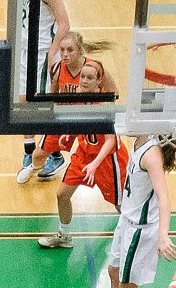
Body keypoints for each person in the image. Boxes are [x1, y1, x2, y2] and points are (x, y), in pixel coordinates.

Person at [85, 134, 176, 288]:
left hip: (141, 230)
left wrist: (163, 234)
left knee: (128, 287)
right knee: (113, 271)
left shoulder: (151, 154)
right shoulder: (138, 143)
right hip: (126, 222)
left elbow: (164, 196)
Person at [37, 61, 128, 249]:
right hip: (83, 154)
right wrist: (69, 133)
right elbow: (79, 120)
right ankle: (64, 236)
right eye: (82, 77)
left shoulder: (105, 103)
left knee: (120, 206)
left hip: (108, 160)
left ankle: (133, 235)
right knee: (62, 195)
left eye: (89, 78)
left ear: (98, 81)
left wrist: (95, 164)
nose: (84, 81)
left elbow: (110, 140)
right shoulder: (77, 97)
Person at [17, 31, 117, 183]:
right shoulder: (58, 69)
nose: (65, 54)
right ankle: (37, 166)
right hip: (66, 117)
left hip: (89, 119)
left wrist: (99, 110)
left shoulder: (94, 68)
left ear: (79, 50)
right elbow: (53, 96)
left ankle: (110, 175)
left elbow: (114, 93)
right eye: (62, 50)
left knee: (102, 154)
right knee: (37, 155)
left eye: (70, 50)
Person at [17, 0, 70, 177]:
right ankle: (29, 150)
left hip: (42, 52)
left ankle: (55, 154)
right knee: (23, 101)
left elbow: (65, 24)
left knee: (43, 105)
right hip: (26, 49)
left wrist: (53, 51)